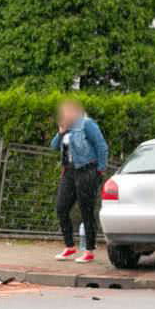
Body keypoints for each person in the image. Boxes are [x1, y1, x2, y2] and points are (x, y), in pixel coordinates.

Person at [50, 99, 109, 263]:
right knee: (61, 208)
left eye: (68, 111)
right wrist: (61, 131)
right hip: (69, 172)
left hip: (87, 170)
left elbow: (101, 145)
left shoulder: (87, 124)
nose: (65, 114)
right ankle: (69, 247)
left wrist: (100, 170)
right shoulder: (66, 128)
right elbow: (54, 146)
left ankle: (89, 251)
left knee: (86, 210)